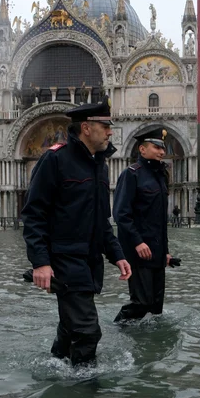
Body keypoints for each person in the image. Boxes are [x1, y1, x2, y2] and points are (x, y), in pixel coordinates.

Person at [21, 96, 132, 367]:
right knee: (87, 331)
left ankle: (55, 367)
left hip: (89, 260)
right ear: (86, 127)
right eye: (105, 125)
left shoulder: (99, 166)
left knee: (71, 327)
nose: (110, 131)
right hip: (65, 260)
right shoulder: (55, 160)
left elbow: (101, 220)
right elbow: (34, 214)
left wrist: (117, 255)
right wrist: (41, 263)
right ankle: (86, 394)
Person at [113, 130, 173, 323]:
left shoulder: (161, 176)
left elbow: (160, 222)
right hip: (138, 252)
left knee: (156, 307)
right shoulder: (131, 175)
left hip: (156, 252)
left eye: (163, 148)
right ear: (142, 149)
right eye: (156, 147)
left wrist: (165, 252)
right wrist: (138, 242)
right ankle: (119, 328)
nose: (162, 152)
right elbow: (121, 215)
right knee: (141, 302)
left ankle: (150, 346)